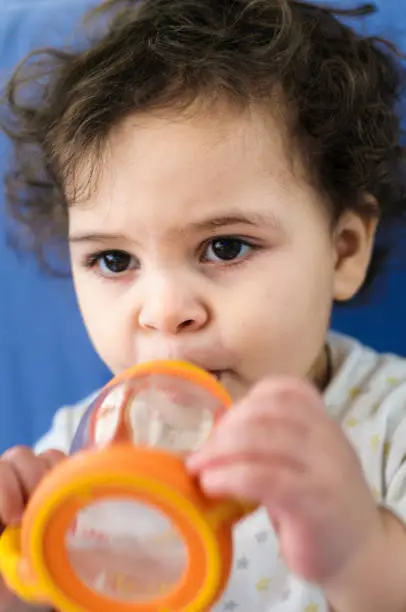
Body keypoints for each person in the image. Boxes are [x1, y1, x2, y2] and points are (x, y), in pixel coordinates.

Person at [1, 0, 406, 609]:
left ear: (343, 250)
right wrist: (21, 577)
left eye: (225, 246)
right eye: (114, 261)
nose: (164, 312)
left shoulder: (390, 424)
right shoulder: (82, 446)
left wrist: (354, 547)